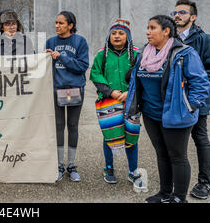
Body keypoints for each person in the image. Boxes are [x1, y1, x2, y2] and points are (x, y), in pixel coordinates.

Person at [125, 15, 210, 203]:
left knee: (177, 156)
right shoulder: (145, 53)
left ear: (166, 31)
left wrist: (190, 106)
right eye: (147, 27)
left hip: (176, 115)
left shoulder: (184, 53)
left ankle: (179, 198)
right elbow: (133, 78)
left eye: (152, 28)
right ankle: (164, 193)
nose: (147, 31)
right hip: (151, 114)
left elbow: (201, 83)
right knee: (162, 154)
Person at [171, 0, 210, 199]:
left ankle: (205, 183)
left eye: (182, 12)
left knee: (200, 139)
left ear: (193, 16)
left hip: (196, 102)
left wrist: (195, 96)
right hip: (174, 102)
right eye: (175, 12)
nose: (177, 15)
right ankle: (175, 180)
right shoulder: (170, 38)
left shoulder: (206, 40)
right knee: (174, 142)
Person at [90, 19, 141, 185]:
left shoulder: (136, 54)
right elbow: (95, 75)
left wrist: (129, 92)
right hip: (108, 102)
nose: (117, 36)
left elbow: (141, 75)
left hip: (131, 101)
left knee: (131, 135)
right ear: (109, 36)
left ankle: (133, 170)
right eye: (113, 33)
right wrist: (110, 92)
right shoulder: (101, 54)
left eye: (121, 33)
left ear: (128, 36)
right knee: (110, 136)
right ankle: (109, 167)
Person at [45, 11, 89, 182]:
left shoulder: (80, 41)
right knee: (57, 126)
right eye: (56, 22)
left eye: (61, 23)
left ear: (70, 25)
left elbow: (82, 65)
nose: (57, 26)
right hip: (56, 89)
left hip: (75, 89)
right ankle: (58, 165)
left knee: (72, 125)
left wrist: (61, 56)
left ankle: (71, 165)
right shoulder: (50, 42)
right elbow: (45, 67)